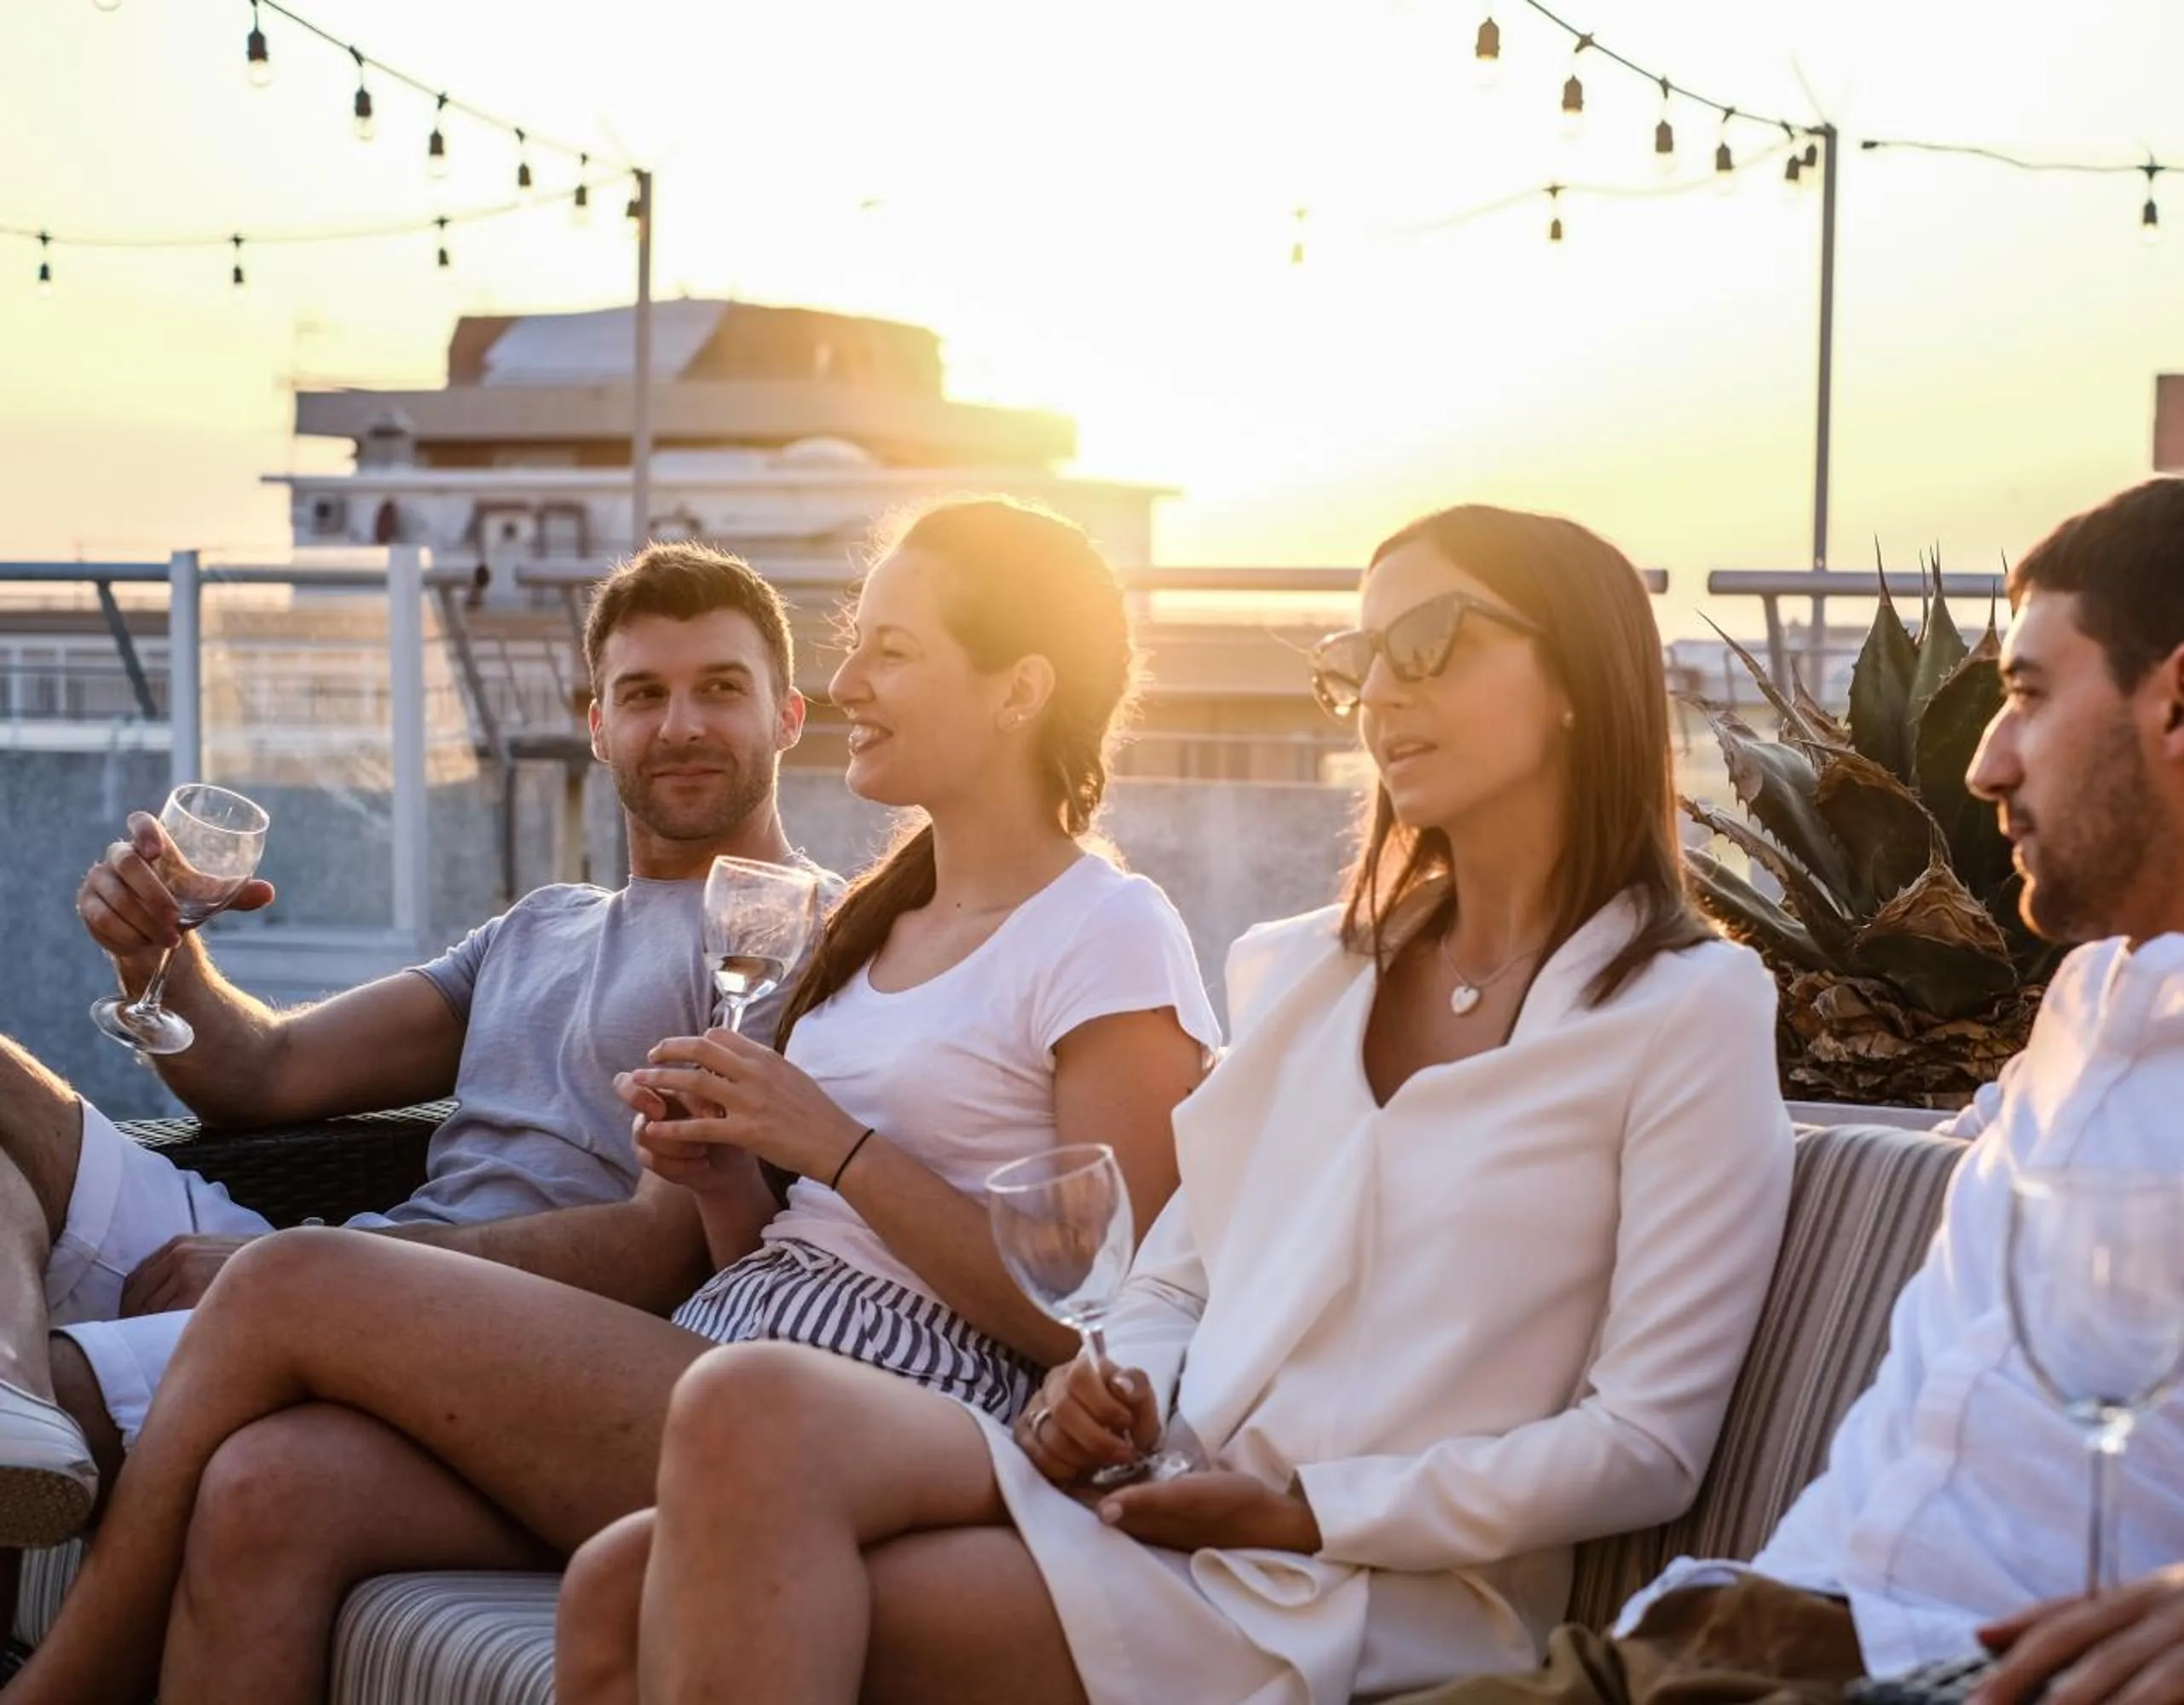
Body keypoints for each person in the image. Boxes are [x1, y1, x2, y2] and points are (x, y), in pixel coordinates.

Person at [547, 503, 1799, 1705]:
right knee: (705, 1450)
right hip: (1163, 1488)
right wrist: (1111, 1389)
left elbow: (1647, 1439)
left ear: (1576, 675)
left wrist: (1305, 1509)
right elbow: (1174, 1276)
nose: (1381, 692)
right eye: (1358, 658)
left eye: (1428, 646)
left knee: (656, 1569)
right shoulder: (1307, 971)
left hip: (1360, 1585)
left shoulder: (1686, 1012)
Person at [0, 496, 1220, 1705]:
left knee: (281, 1277)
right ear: (596, 722)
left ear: (1019, 689)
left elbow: (1109, 1310)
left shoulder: (1101, 928)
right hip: (727, 1342)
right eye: (853, 643)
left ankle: (59, 1688)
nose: (852, 680)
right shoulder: (881, 924)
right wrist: (727, 1177)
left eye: (888, 651)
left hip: (872, 1410)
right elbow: (757, 1241)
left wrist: (832, 1146)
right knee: (276, 1484)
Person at [1395, 472, 2184, 1705]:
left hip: (1950, 1673)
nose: (1991, 764)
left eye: (2029, 696)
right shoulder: (2085, 1011)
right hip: (1699, 1642)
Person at [0, 540, 823, 1606]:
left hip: (454, 1337)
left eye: (721, 689)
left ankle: (35, 1405)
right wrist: (164, 957)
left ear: (788, 717)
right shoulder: (539, 924)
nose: (679, 725)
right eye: (643, 693)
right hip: (324, 1268)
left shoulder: (794, 937)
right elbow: (265, 1070)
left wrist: (325, 1279)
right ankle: (12, 1394)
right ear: (597, 725)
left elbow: (657, 1252)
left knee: (75, 1396)